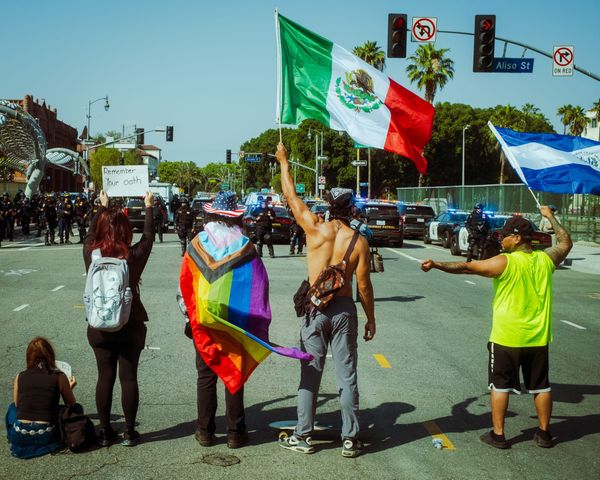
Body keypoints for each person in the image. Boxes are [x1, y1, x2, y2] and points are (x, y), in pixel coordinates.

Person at [421, 207, 572, 449]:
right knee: (541, 387)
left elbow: (468, 267)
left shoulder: (505, 262)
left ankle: (498, 435)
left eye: (505, 235)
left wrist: (436, 264)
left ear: (518, 238)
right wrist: (549, 216)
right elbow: (565, 242)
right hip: (537, 338)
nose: (501, 238)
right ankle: (544, 434)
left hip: (506, 338)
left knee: (500, 386)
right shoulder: (545, 260)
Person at [275, 142, 376, 458]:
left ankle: (303, 436)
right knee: (347, 375)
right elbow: (364, 288)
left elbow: (291, 197)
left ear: (329, 207)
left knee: (310, 373)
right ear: (352, 209)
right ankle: (350, 439)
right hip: (344, 309)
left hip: (315, 310)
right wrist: (371, 319)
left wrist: (284, 162)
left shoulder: (314, 228)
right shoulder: (359, 242)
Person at [178, 191, 250, 449]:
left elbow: (185, 283)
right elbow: (256, 285)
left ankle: (205, 431)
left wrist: (191, 314)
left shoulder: (197, 244)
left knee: (206, 375)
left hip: (204, 319)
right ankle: (235, 432)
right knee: (233, 374)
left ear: (210, 213)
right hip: (235, 320)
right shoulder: (244, 244)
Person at [84, 189, 154, 447]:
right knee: (129, 377)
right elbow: (148, 237)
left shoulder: (91, 254)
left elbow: (90, 234)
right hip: (129, 322)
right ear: (126, 231)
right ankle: (128, 431)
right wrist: (148, 207)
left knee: (104, 377)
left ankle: (104, 430)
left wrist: (102, 208)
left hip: (98, 323)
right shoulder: (132, 257)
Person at [5, 337, 78, 459]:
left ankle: (19, 438)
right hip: (47, 433)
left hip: (20, 434)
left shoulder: (20, 376)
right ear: (50, 356)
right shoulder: (59, 376)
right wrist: (69, 388)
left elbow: (18, 405)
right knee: (78, 408)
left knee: (12, 407)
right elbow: (71, 403)